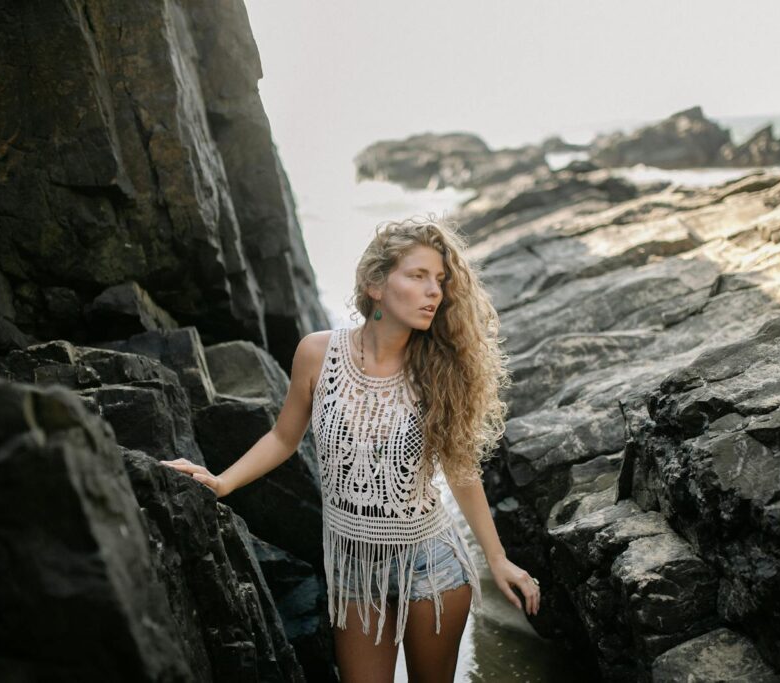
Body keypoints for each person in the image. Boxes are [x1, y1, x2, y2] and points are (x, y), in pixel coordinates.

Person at [162, 215, 541, 682]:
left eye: (440, 280)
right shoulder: (318, 353)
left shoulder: (439, 371)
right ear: (375, 284)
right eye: (418, 276)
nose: (434, 292)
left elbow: (460, 470)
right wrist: (221, 482)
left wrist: (497, 558)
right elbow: (284, 437)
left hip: (432, 567)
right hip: (353, 568)